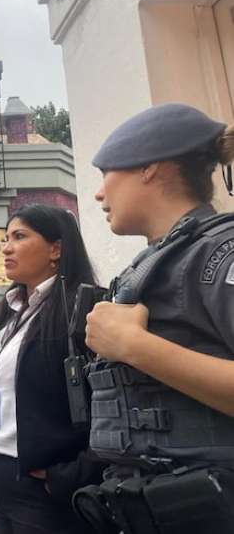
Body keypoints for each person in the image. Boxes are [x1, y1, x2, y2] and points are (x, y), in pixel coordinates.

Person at [75, 103, 234, 533]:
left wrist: (137, 347)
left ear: (148, 167)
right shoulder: (160, 261)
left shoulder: (219, 254)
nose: (98, 193)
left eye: (106, 173)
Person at [0, 204, 106, 534]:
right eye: (5, 238)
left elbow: (112, 406)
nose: (7, 247)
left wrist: (73, 475)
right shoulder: (9, 313)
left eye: (20, 236)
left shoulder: (82, 312)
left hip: (45, 494)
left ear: (56, 249)